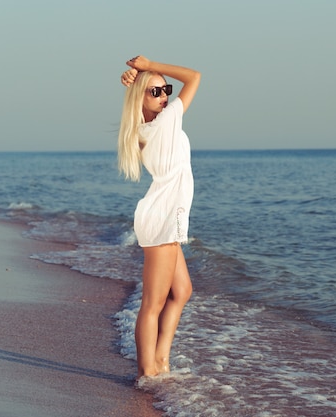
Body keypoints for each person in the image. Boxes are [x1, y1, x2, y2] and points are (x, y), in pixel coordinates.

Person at [117, 55, 201, 379]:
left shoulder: (146, 126)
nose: (165, 96)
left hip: (168, 216)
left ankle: (161, 359)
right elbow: (194, 77)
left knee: (181, 292)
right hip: (163, 218)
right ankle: (147, 372)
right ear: (141, 98)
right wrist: (151, 64)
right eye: (156, 92)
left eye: (165, 89)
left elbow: (144, 101)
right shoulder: (164, 124)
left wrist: (140, 80)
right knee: (152, 303)